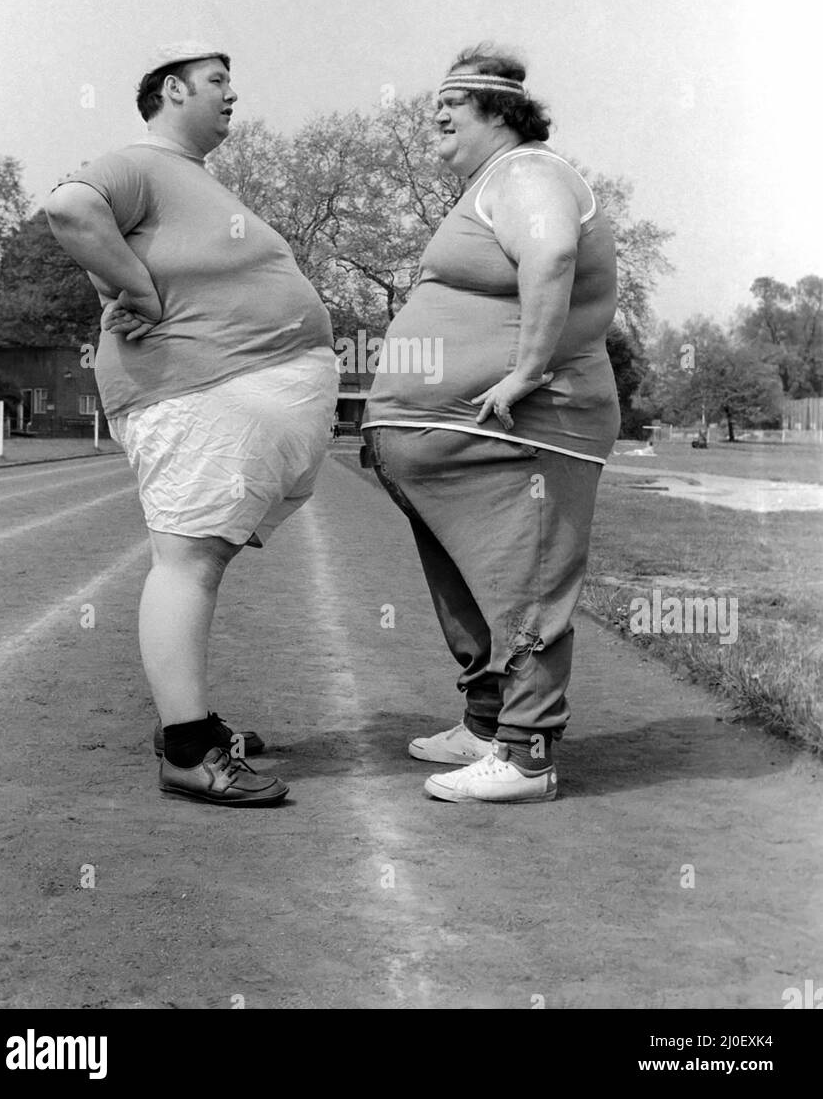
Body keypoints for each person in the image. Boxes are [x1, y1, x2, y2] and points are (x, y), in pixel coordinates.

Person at [45, 43, 337, 806]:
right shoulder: (137, 162)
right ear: (172, 91)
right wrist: (137, 288)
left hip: (227, 390)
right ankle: (187, 749)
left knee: (204, 557)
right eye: (218, 83)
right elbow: (69, 208)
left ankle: (189, 714)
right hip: (193, 389)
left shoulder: (190, 179)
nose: (233, 96)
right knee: (188, 562)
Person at [361, 44, 620, 803]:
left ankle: (528, 755)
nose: (434, 114)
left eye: (452, 103)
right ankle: (484, 722)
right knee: (472, 583)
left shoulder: (528, 172)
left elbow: (551, 254)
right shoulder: (490, 183)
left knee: (527, 584)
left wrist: (527, 369)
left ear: (500, 113)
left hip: (528, 431)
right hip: (460, 439)